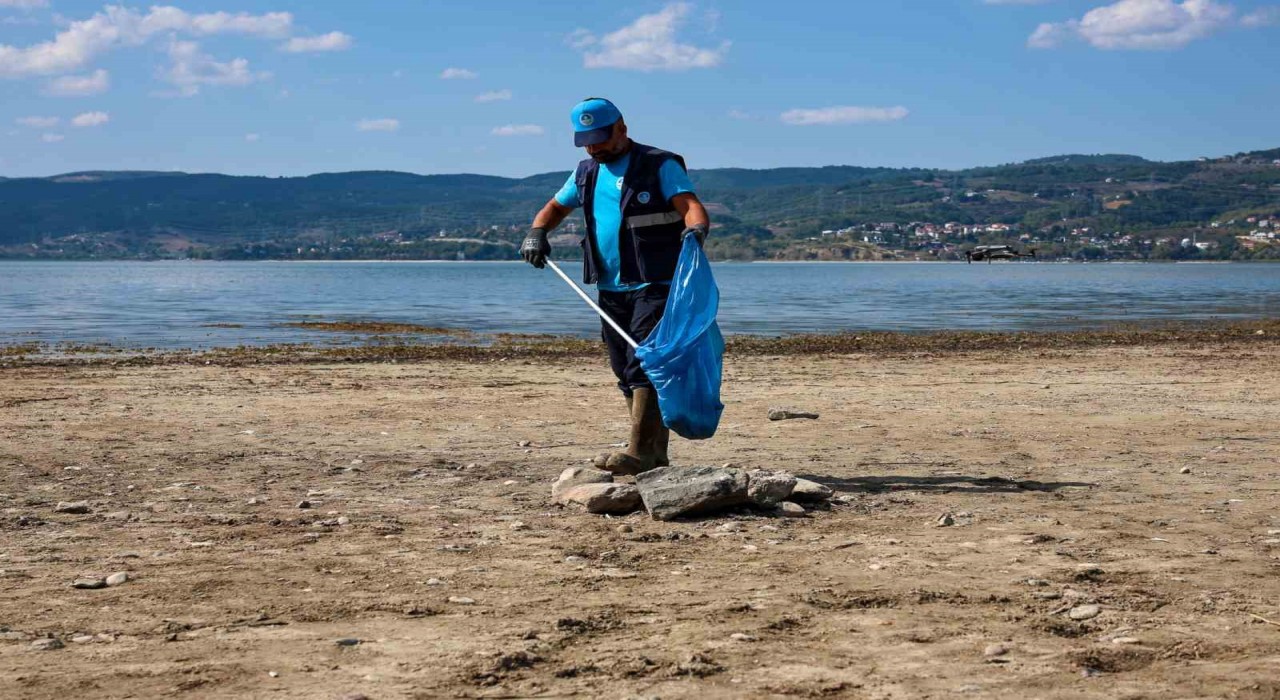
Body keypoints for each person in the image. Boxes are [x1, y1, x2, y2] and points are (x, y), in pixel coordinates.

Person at [520, 97, 710, 476]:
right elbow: (555, 207)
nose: (594, 147)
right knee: (623, 367)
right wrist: (537, 232)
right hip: (610, 286)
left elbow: (689, 204)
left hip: (657, 281)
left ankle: (638, 450)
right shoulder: (586, 172)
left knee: (646, 362)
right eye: (586, 141)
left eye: (600, 139)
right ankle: (654, 454)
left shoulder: (658, 163)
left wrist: (697, 230)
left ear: (621, 128)